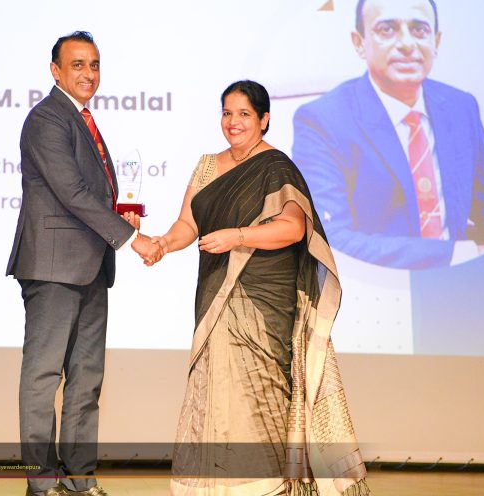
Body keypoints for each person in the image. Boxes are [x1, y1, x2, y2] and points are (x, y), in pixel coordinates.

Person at [142, 80, 369, 495]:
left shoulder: (276, 166)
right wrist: (163, 244)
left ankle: (263, 487)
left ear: (264, 120)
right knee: (215, 393)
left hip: (262, 303)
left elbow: (293, 228)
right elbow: (188, 223)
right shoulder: (207, 166)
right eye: (227, 113)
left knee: (257, 396)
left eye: (244, 114)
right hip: (216, 295)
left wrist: (238, 236)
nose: (233, 122)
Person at [6, 31, 161, 496]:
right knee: (43, 376)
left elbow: (87, 195)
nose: (88, 73)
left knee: (86, 381)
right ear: (55, 71)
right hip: (54, 268)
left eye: (94, 64)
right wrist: (131, 238)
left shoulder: (83, 119)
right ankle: (42, 483)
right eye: (77, 64)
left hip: (91, 266)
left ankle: (79, 480)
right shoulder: (46, 119)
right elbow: (71, 192)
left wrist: (120, 214)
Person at [291, 0, 484, 270]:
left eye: (419, 29)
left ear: (436, 41)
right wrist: (464, 254)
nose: (406, 43)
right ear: (359, 43)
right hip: (380, 284)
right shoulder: (322, 121)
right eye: (387, 29)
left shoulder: (461, 106)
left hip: (464, 280)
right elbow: (329, 237)